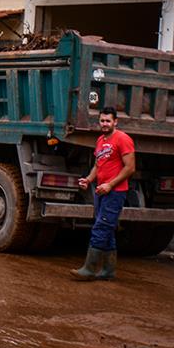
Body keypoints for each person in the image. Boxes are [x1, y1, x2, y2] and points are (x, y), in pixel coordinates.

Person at [72, 107, 136, 281]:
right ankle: (108, 271)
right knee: (107, 229)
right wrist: (88, 180)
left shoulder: (123, 139)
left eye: (108, 121)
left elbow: (130, 168)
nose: (105, 124)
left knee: (101, 228)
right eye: (102, 121)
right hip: (101, 191)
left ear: (115, 122)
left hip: (115, 192)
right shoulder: (100, 140)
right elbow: (98, 165)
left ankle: (89, 269)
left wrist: (110, 185)